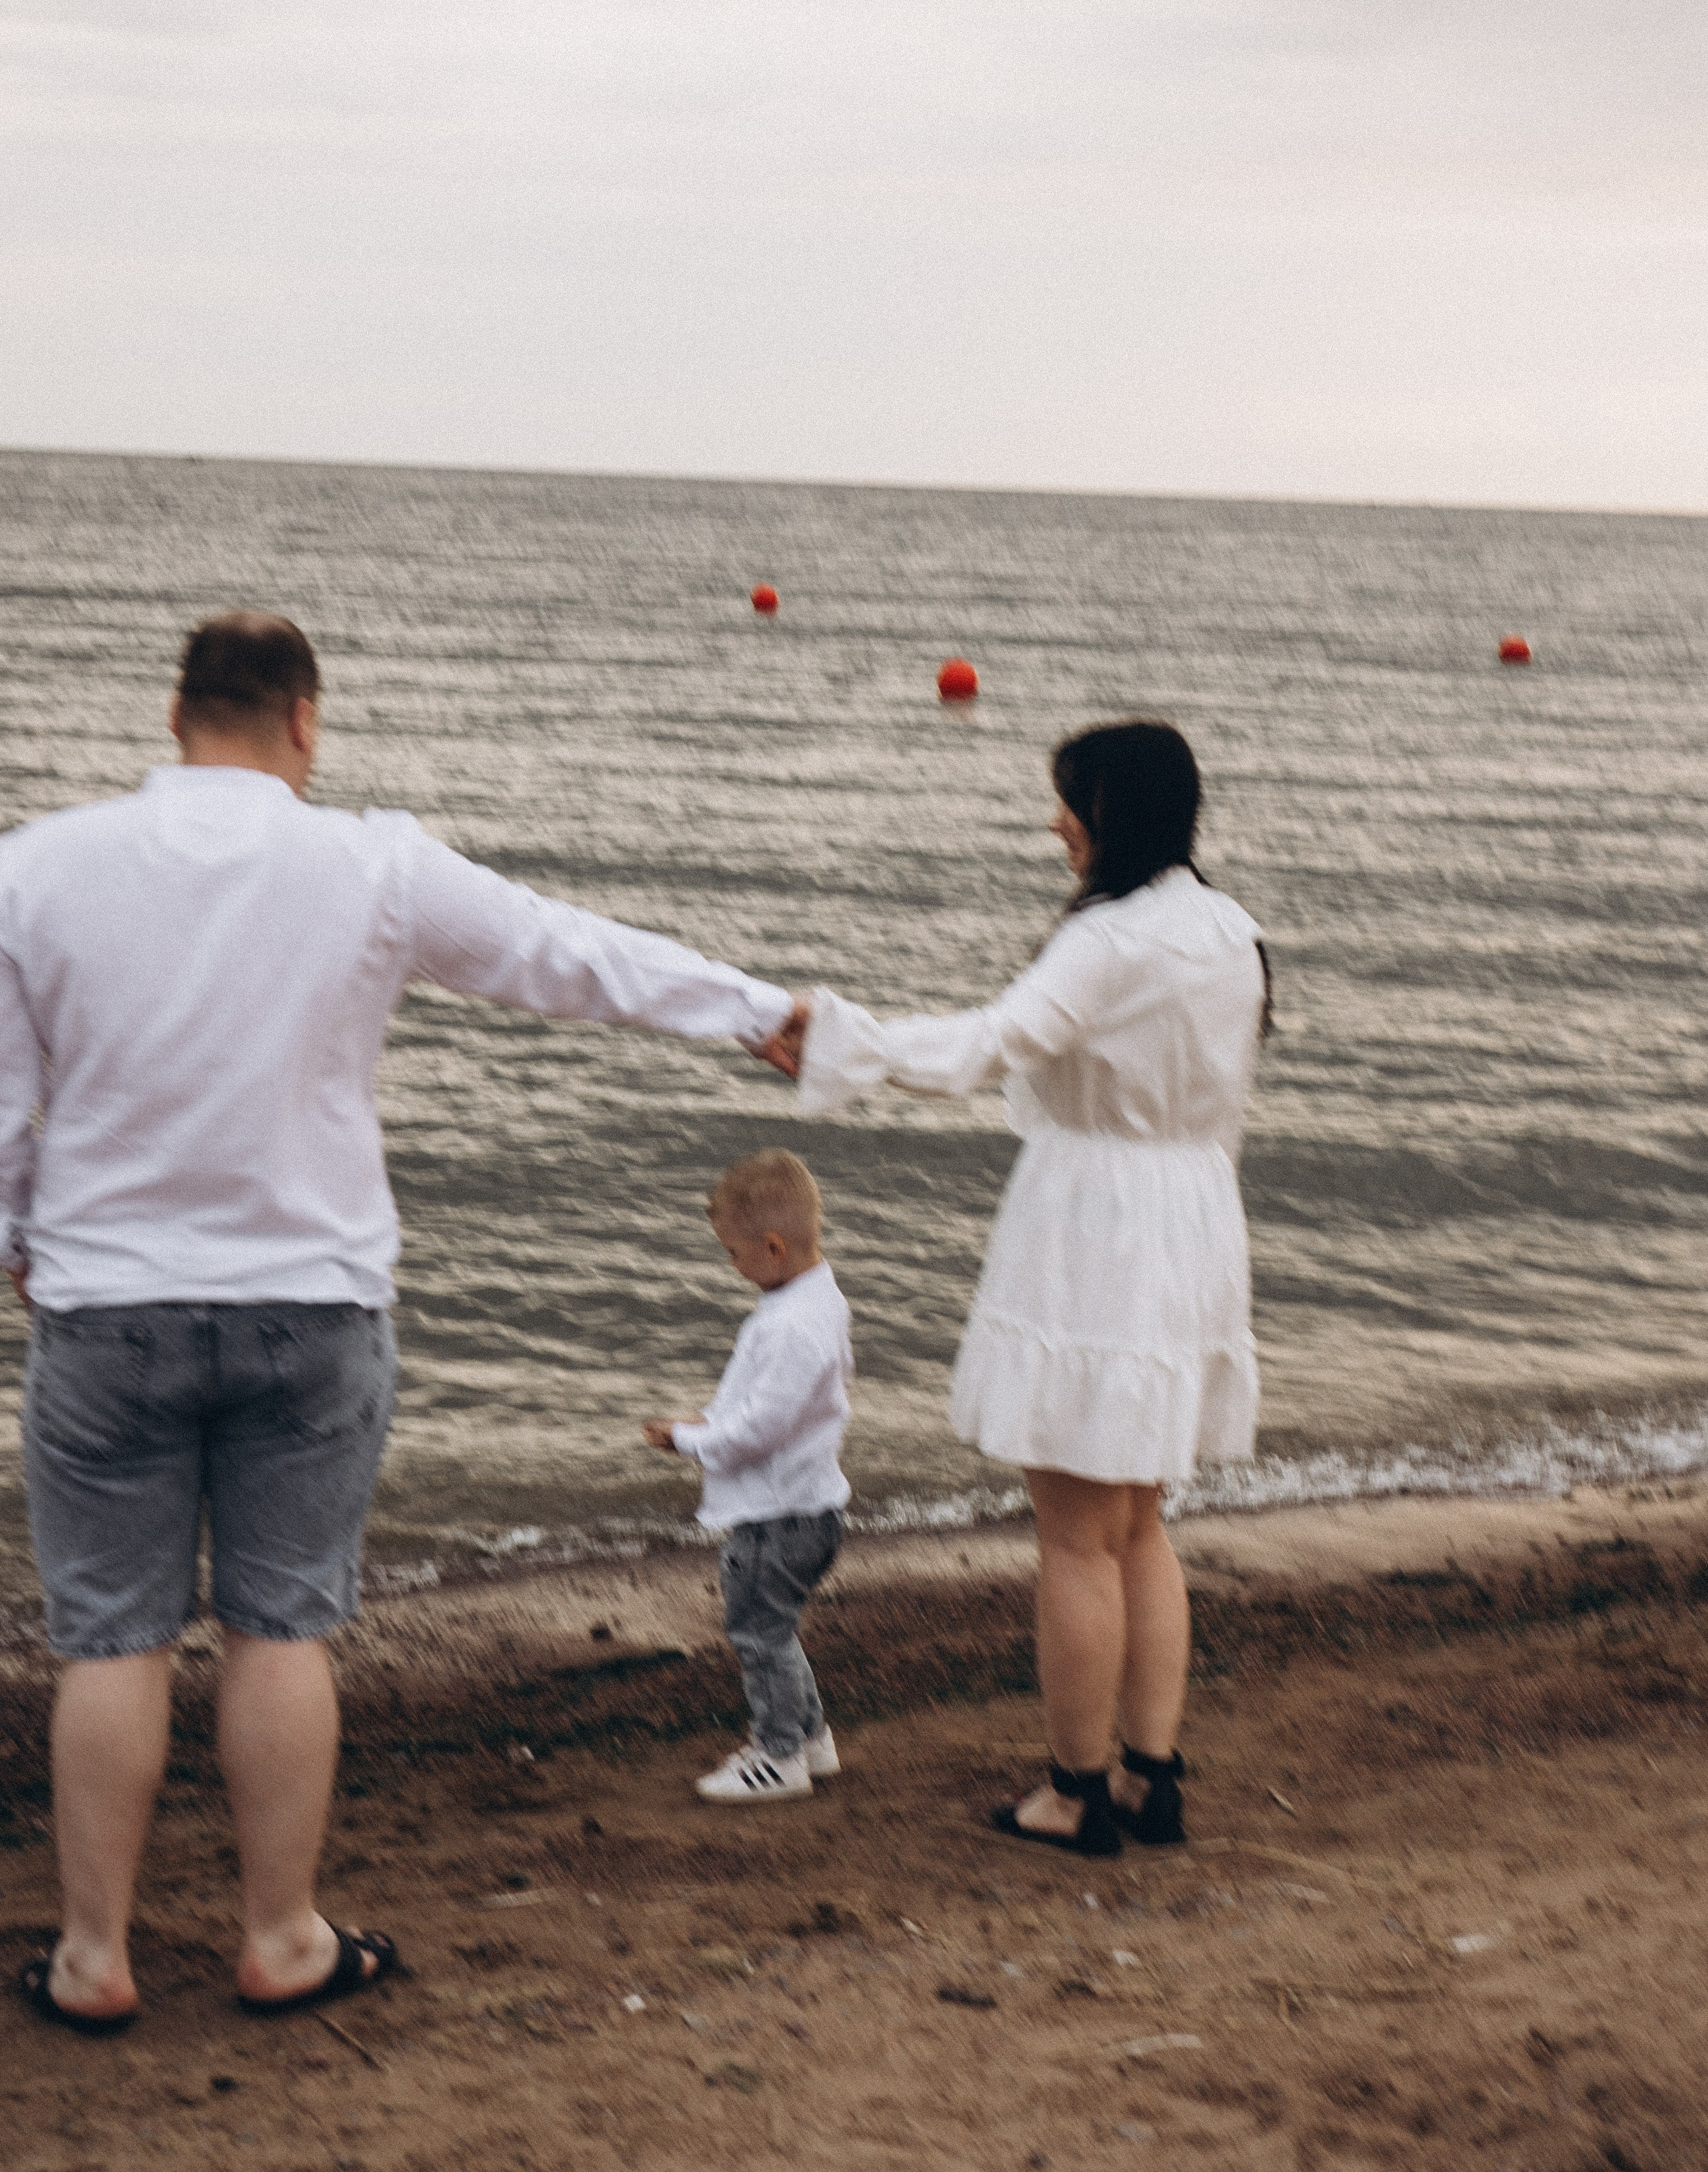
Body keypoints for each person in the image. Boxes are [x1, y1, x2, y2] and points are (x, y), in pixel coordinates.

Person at [1, 611, 804, 2033]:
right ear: (304, 722)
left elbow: (5, 1117)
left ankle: (94, 1959)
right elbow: (563, 955)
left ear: (175, 716)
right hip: (310, 1313)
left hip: (108, 1310)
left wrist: (23, 1247)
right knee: (278, 1631)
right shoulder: (368, 865)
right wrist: (751, 1011)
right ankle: (280, 1940)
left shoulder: (37, 870)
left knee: (111, 1640)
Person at [789, 720, 1269, 1857]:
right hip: (1193, 1217)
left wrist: (836, 1042)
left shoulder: (1110, 942)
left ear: (1116, 813)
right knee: (1141, 1523)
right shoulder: (1230, 930)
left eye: (1071, 803)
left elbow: (987, 1047)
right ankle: (1152, 1778)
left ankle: (1075, 1790)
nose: (1056, 822)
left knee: (1075, 1538)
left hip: (1098, 1223)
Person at [642, 1150, 851, 1804]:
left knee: (759, 1633)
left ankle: (779, 1753)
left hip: (781, 1517)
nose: (731, 1266)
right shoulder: (816, 1301)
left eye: (734, 1254)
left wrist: (689, 1439)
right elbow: (769, 1409)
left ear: (772, 1245)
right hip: (801, 1506)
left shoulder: (791, 1327)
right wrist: (706, 1419)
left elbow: (763, 1427)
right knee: (774, 1627)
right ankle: (810, 1739)